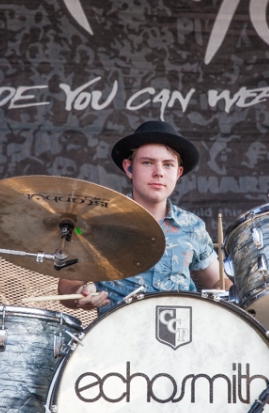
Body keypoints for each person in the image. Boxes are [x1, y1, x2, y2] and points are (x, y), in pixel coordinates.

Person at [58, 120, 231, 313]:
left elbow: (217, 281)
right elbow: (67, 284)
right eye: (147, 163)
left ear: (178, 172)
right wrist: (80, 293)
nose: (158, 173)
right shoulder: (100, 223)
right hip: (118, 336)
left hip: (181, 335)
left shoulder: (191, 226)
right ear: (129, 168)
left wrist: (230, 291)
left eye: (168, 165)